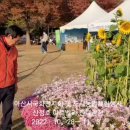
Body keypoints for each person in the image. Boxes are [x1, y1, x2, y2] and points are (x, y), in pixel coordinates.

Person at [0, 25, 24, 130]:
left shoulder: (14, 50)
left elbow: (15, 67)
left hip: (10, 86)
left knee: (8, 110)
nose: (17, 43)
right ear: (9, 36)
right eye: (16, 40)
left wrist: (15, 83)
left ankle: (6, 128)